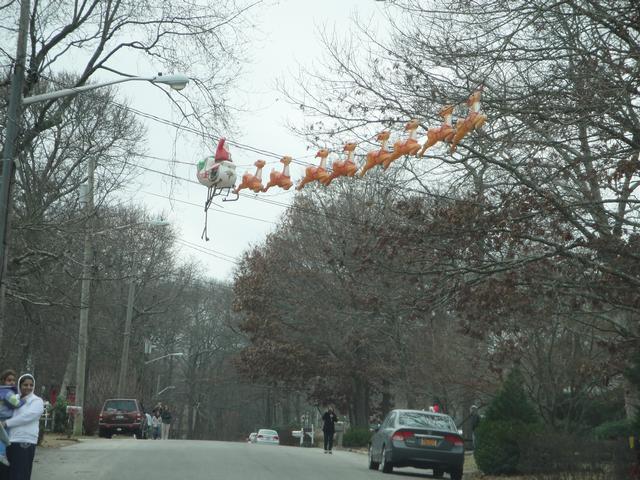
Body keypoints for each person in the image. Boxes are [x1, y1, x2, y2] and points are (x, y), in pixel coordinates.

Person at [1, 374, 44, 480]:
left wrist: (7, 423)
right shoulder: (14, 399)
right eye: (25, 385)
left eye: (31, 385)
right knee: (6, 475)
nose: (28, 387)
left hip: (24, 442)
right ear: (20, 385)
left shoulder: (37, 401)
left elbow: (26, 417)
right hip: (8, 442)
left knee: (20, 475)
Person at [0, 370, 22, 467]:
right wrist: (23, 401)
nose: (12, 382)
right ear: (3, 381)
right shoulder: (7, 391)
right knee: (4, 437)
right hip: (3, 417)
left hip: (3, 416)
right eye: (9, 380)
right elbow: (15, 403)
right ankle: (1, 454)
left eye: (13, 380)